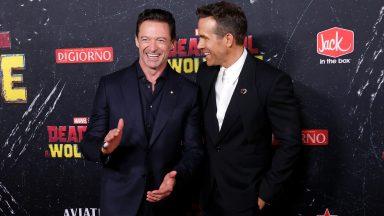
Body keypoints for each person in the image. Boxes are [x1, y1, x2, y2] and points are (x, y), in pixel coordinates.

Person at [80, 8, 203, 216]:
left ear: (173, 43)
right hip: (119, 203)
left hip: (168, 204)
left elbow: (195, 150)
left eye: (161, 40)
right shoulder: (110, 85)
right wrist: (105, 147)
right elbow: (88, 143)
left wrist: (176, 175)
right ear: (136, 41)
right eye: (145, 39)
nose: (152, 47)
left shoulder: (188, 92)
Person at [195, 1, 301, 216]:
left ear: (228, 39)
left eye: (204, 38)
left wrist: (264, 195)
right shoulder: (204, 73)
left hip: (248, 201)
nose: (198, 45)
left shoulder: (271, 82)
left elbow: (291, 144)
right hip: (207, 198)